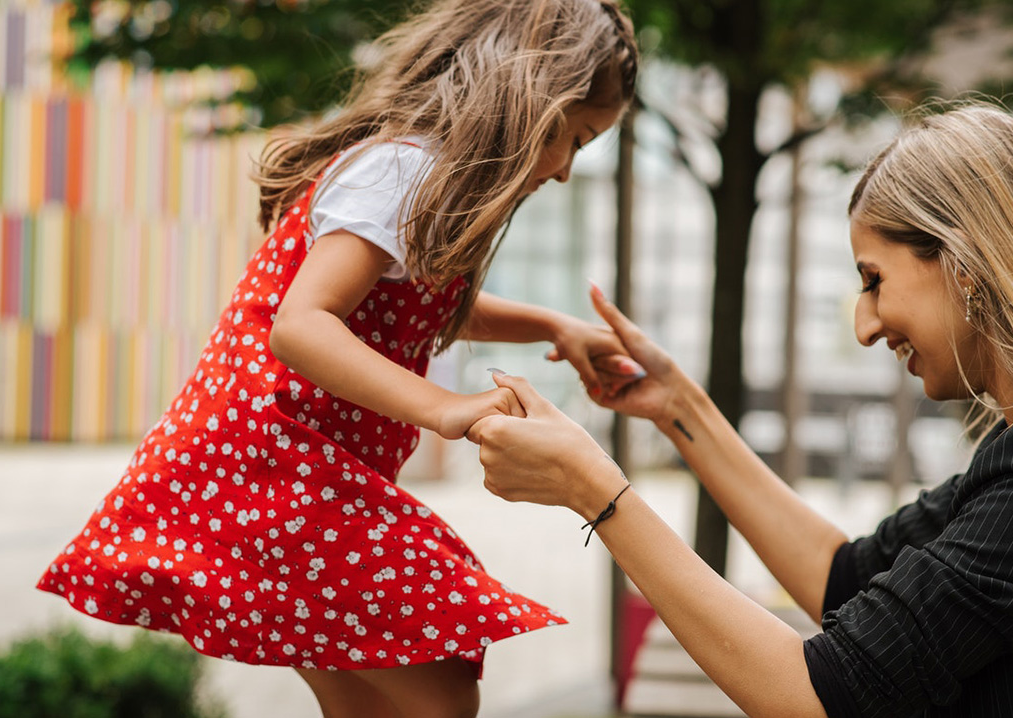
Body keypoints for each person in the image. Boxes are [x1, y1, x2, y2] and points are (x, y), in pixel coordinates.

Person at [37, 1, 640, 716]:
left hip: (298, 474)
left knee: (377, 701)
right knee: (440, 692)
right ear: (531, 98)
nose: (567, 170)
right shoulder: (403, 169)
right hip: (269, 472)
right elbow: (303, 325)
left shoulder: (420, 175)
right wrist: (447, 409)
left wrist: (554, 326)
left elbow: (421, 304)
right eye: (574, 138)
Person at [469, 103, 1013, 717]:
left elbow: (820, 697)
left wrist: (592, 488)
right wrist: (678, 407)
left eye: (873, 280)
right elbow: (842, 575)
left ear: (965, 264)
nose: (864, 325)